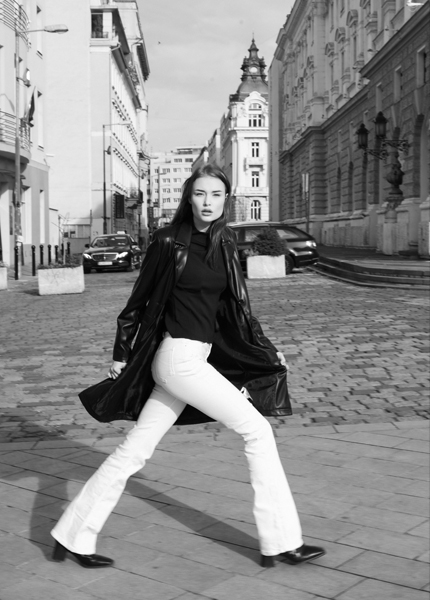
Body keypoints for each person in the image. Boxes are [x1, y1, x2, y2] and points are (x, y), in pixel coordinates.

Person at [50, 164, 325, 569]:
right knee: (257, 430)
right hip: (177, 360)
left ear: (226, 199)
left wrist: (266, 350)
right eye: (200, 194)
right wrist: (121, 355)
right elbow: (137, 303)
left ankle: (71, 534)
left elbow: (239, 309)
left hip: (194, 359)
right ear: (189, 198)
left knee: (134, 451)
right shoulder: (167, 241)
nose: (208, 202)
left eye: (216, 194)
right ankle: (282, 542)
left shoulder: (225, 242)